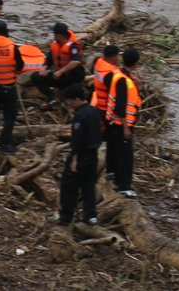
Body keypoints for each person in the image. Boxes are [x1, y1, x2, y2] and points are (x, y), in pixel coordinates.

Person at [57, 81, 103, 226]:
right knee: (88, 184)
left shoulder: (80, 116)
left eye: (71, 101)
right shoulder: (95, 111)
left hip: (81, 155)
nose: (70, 104)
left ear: (77, 99)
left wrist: (74, 159)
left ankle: (66, 215)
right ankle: (90, 215)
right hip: (93, 154)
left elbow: (77, 139)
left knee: (69, 185)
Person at [104, 46, 142, 196]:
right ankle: (123, 186)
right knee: (125, 156)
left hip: (112, 121)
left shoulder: (117, 74)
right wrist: (126, 127)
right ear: (136, 63)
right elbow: (121, 106)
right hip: (122, 124)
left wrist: (137, 83)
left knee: (112, 150)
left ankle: (111, 172)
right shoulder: (124, 81)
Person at [30, 22, 84, 103]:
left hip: (71, 78)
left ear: (59, 35)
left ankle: (64, 95)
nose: (53, 35)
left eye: (54, 33)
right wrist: (44, 68)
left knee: (78, 69)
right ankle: (52, 96)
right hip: (58, 77)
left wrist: (61, 72)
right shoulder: (55, 45)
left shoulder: (73, 46)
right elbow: (49, 59)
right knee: (35, 76)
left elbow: (76, 61)